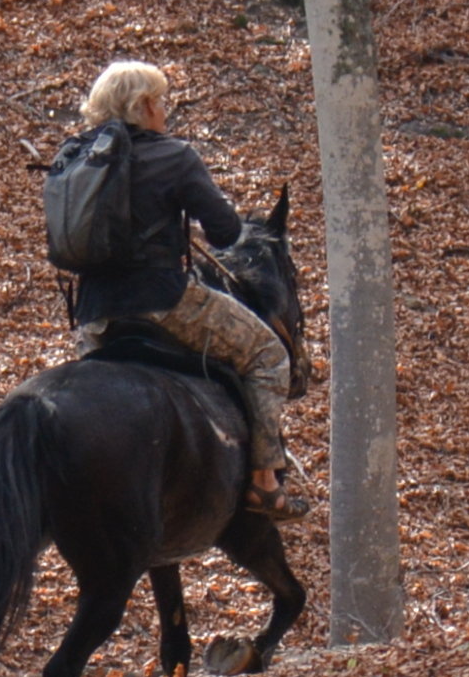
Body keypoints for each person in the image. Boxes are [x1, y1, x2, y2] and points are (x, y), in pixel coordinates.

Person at [56, 58, 292, 509]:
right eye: (161, 102)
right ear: (144, 105)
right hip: (164, 301)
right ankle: (264, 478)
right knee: (268, 355)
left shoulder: (72, 155)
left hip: (93, 316)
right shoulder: (173, 155)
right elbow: (224, 232)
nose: (165, 111)